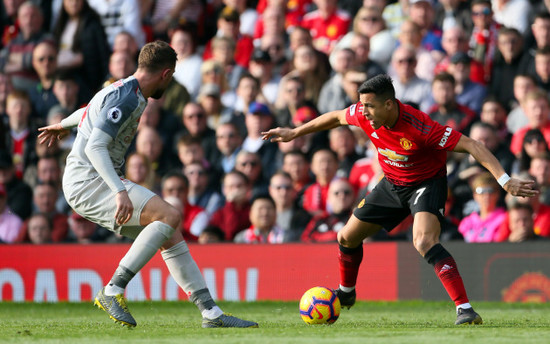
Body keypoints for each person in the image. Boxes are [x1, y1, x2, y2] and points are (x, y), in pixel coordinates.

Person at [262, 74, 538, 325]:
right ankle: (346, 293)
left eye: (370, 106)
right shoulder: (363, 113)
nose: (364, 112)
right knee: (346, 237)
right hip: (392, 183)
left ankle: (465, 309)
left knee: (424, 241)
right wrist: (295, 132)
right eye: (362, 105)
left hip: (426, 183)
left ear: (390, 105)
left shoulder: (421, 127)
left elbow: (473, 145)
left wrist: (505, 180)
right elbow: (335, 117)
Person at [37, 41, 257, 328]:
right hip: (89, 182)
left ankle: (211, 313)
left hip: (88, 180)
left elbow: (88, 112)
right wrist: (119, 191)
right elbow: (95, 148)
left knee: (168, 231)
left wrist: (63, 124)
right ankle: (112, 290)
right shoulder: (127, 98)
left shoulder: (123, 88)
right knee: (169, 215)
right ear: (165, 74)